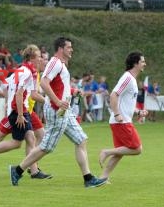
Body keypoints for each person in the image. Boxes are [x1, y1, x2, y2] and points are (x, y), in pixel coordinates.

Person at [8, 37, 107, 188]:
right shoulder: (55, 63)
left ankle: (88, 178)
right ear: (61, 49)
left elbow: (58, 86)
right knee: (47, 146)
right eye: (69, 47)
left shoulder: (60, 64)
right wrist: (57, 101)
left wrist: (73, 91)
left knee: (81, 140)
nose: (71, 49)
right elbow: (44, 83)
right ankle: (17, 170)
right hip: (57, 110)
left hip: (63, 110)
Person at [0, 45, 51, 179]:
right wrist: (19, 113)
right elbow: (19, 93)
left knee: (31, 138)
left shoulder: (26, 71)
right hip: (19, 110)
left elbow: (14, 88)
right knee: (13, 141)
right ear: (31, 58)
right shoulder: (26, 72)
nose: (41, 59)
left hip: (22, 109)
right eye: (39, 57)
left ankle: (34, 169)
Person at [98, 52, 147, 182]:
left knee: (120, 153)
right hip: (121, 121)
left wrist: (138, 112)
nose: (144, 64)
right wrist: (117, 114)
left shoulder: (132, 80)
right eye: (142, 61)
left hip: (121, 120)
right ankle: (106, 152)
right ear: (135, 63)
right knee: (137, 149)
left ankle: (103, 178)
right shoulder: (127, 78)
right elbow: (114, 95)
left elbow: (127, 103)